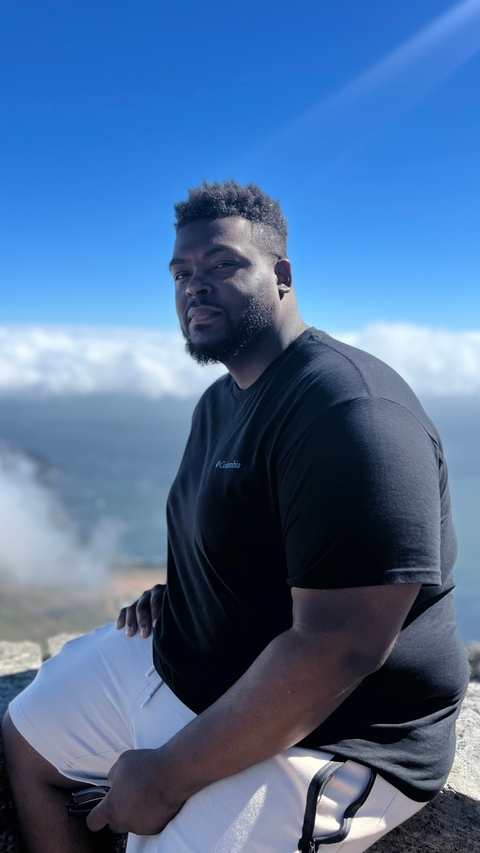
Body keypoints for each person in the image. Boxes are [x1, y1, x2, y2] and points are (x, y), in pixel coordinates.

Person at [3, 181, 470, 853]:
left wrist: (165, 775)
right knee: (27, 733)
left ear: (281, 275)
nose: (195, 285)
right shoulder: (220, 403)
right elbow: (245, 531)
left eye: (222, 264)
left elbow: (342, 645)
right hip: (206, 662)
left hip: (336, 729)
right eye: (181, 272)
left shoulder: (351, 414)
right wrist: (187, 589)